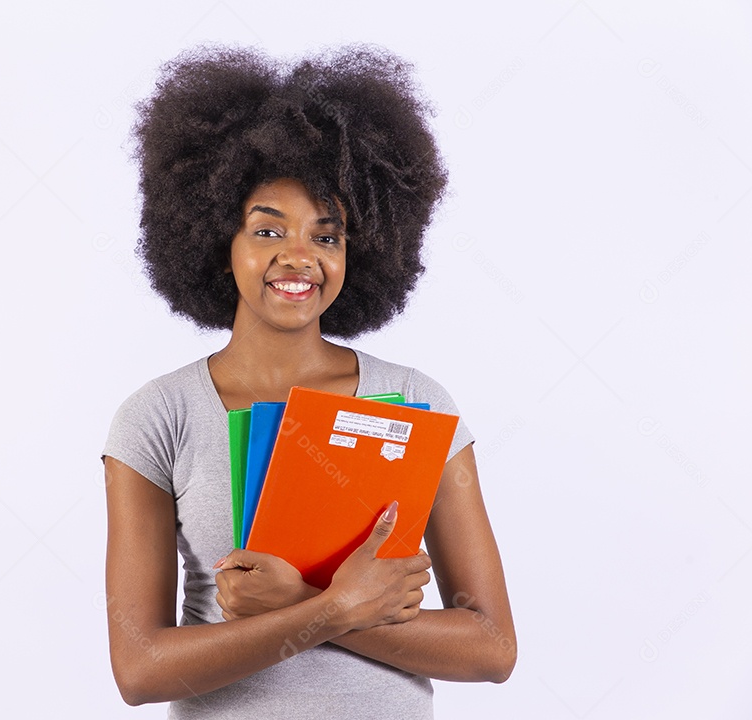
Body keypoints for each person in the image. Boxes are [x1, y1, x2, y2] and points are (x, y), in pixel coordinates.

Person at [101, 45, 515, 719]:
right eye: (268, 230)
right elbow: (140, 669)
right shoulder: (158, 417)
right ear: (217, 240)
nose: (298, 257)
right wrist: (338, 608)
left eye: (327, 237)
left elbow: (492, 647)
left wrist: (309, 606)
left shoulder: (418, 403)